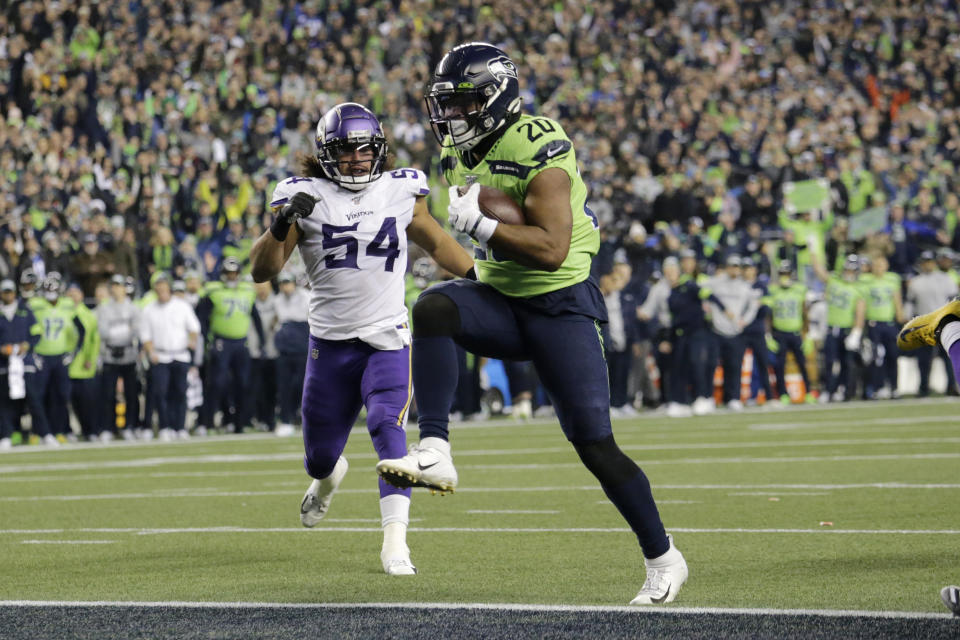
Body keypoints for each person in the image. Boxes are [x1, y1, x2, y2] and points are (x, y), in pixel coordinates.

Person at [374, 43, 687, 604]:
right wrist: (451, 252)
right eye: (447, 105)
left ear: (496, 98)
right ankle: (437, 448)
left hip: (561, 305)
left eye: (464, 103)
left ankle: (663, 558)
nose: (452, 116)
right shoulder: (458, 154)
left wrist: (487, 231)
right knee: (434, 306)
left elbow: (551, 248)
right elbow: (456, 238)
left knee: (595, 444)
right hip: (501, 297)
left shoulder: (539, 141)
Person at [249, 102, 475, 576]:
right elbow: (262, 270)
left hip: (387, 338)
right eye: (346, 150)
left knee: (386, 428)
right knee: (319, 458)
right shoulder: (301, 193)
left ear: (379, 149)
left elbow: (435, 240)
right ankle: (328, 481)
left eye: (365, 148)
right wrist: (281, 223)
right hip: (329, 345)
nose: (356, 158)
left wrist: (481, 274)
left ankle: (396, 544)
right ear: (326, 153)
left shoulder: (401, 189)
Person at [196, 256, 262, 433]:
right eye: (229, 273)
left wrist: (261, 340)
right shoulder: (214, 291)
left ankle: (239, 424)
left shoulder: (247, 292)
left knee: (243, 383)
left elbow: (256, 318)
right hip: (221, 341)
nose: (232, 277)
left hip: (241, 342)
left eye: (235, 273)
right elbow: (201, 317)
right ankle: (208, 422)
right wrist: (208, 337)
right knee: (217, 384)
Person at [140, 271, 201, 441]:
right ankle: (165, 426)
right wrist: (151, 352)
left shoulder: (182, 306)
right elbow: (146, 335)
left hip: (180, 355)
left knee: (180, 392)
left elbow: (194, 327)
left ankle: (180, 427)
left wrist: (191, 342)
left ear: (169, 287)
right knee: (161, 393)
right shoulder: (149, 309)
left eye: (163, 286)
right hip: (160, 356)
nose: (161, 290)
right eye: (158, 287)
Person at [29, 273, 86, 443]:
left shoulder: (68, 305)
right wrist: (32, 352)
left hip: (60, 357)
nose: (50, 292)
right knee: (39, 396)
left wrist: (73, 352)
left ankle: (59, 430)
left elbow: (81, 330)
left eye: (53, 288)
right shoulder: (35, 305)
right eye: (47, 288)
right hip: (41, 356)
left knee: (61, 396)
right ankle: (39, 432)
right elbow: (28, 329)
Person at [904, 251, 959, 396]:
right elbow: (910, 303)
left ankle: (952, 387)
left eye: (930, 262)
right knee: (924, 359)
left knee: (949, 357)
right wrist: (907, 319)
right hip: (925, 325)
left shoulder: (946, 279)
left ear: (934, 263)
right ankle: (923, 388)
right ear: (921, 264)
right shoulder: (915, 282)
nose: (928, 265)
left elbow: (954, 300)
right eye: (925, 262)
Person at [814, 255, 866, 402]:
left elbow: (860, 312)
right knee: (829, 361)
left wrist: (856, 332)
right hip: (832, 329)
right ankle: (827, 390)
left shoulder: (859, 288)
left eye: (852, 270)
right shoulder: (834, 280)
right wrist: (813, 251)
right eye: (847, 270)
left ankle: (840, 389)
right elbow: (818, 271)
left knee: (845, 363)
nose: (849, 273)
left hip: (847, 330)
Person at [97, 274, 141, 441]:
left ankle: (130, 425)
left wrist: (119, 332)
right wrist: (124, 330)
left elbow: (136, 330)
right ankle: (108, 427)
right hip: (110, 354)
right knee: (108, 394)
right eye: (113, 286)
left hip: (129, 355)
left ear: (124, 288)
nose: (116, 289)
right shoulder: (104, 308)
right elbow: (104, 332)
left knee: (131, 393)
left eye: (119, 285)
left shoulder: (133, 308)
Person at [766, 260, 815, 403]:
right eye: (782, 274)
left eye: (787, 274)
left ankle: (809, 392)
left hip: (796, 333)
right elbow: (768, 316)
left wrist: (808, 335)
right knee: (779, 366)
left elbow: (805, 314)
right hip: (779, 333)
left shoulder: (800, 290)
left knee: (803, 364)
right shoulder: (773, 291)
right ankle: (782, 394)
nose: (784, 276)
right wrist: (768, 335)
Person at [0, 279, 38, 449]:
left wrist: (27, 345)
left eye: (10, 291)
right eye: (5, 292)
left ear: (15, 292)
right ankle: (8, 433)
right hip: (4, 363)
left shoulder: (25, 310)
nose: (8, 295)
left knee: (33, 398)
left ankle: (40, 432)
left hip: (25, 362)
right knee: (5, 400)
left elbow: (36, 333)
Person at [860, 254, 903, 398]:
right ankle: (876, 387)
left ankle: (894, 388)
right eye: (876, 265)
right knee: (876, 357)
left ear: (886, 266)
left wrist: (901, 319)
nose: (879, 268)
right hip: (873, 324)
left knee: (893, 355)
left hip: (890, 324)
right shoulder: (865, 280)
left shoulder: (892, 279)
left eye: (881, 265)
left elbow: (897, 300)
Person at [272, 272, 310, 437]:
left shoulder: (306, 297)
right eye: (282, 283)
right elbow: (279, 321)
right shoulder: (277, 300)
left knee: (303, 385)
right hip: (285, 348)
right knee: (284, 386)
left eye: (288, 283)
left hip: (302, 346)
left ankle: (305, 418)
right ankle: (286, 420)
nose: (285, 287)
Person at [65, 282, 101, 441]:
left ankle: (90, 430)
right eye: (70, 292)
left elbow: (95, 340)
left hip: (83, 366)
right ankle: (68, 430)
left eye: (76, 292)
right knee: (64, 401)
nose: (73, 296)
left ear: (81, 295)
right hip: (66, 366)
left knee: (86, 401)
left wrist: (90, 359)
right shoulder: (62, 313)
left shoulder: (88, 314)